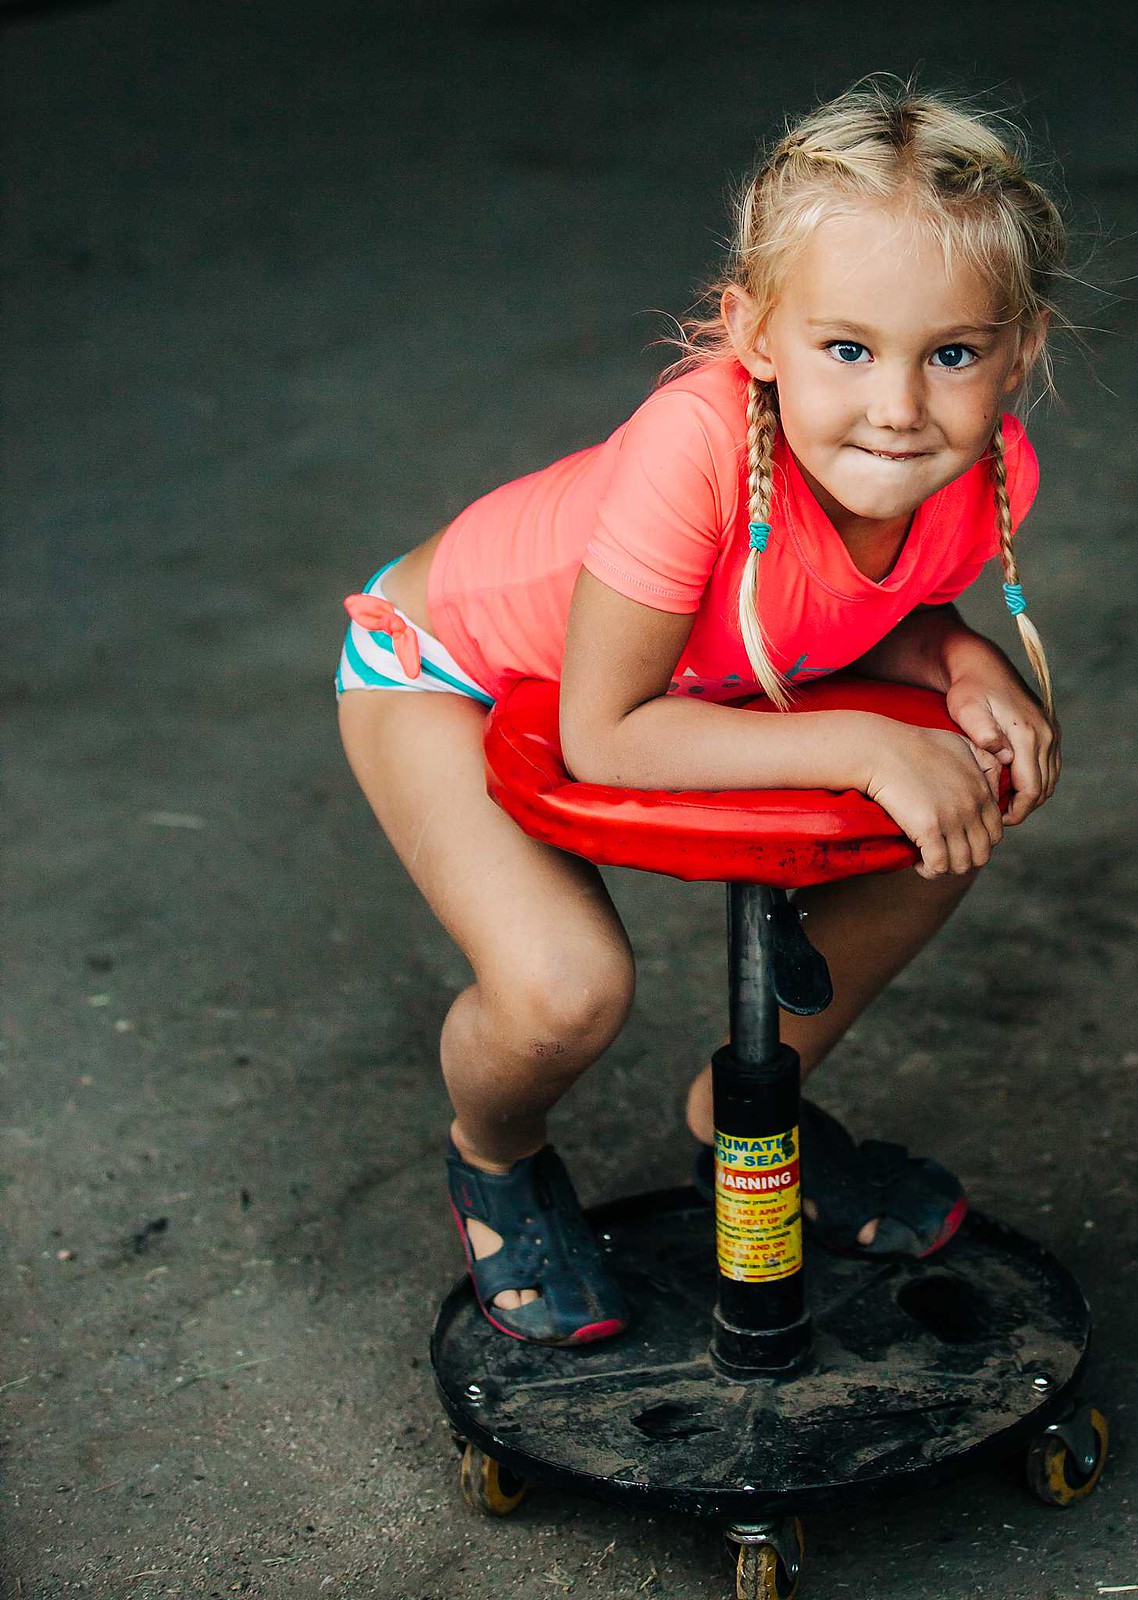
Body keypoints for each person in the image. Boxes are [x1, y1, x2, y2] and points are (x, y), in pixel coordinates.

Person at [335, 77, 1068, 1346]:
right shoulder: (693, 444)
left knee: (955, 801)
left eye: (950, 353)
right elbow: (605, 731)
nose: (898, 407)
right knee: (564, 988)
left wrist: (957, 658)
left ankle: (742, 1118)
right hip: (449, 674)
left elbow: (830, 595)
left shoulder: (984, 465)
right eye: (847, 348)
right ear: (755, 334)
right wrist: (862, 735)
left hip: (677, 674)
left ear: (1020, 351)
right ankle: (495, 1156)